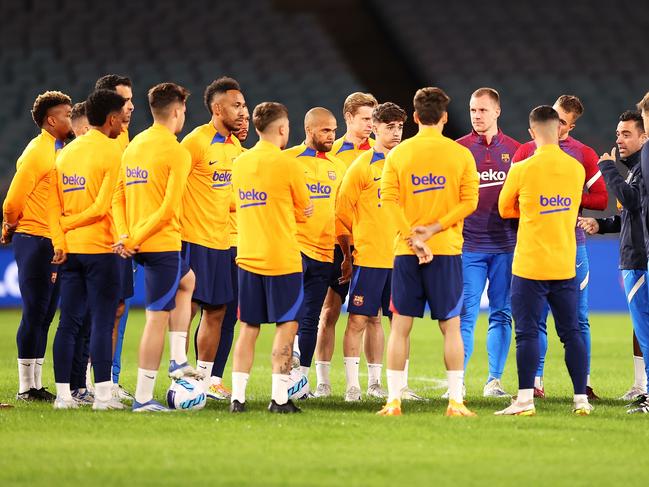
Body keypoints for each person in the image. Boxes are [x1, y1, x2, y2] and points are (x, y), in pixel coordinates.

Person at [377, 87, 479, 417]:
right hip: (446, 251)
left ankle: (393, 401)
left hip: (406, 252)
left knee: (400, 327)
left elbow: (388, 201)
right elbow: (469, 202)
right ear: (445, 118)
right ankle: (455, 402)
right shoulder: (460, 154)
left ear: (417, 117)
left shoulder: (398, 155)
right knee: (450, 326)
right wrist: (434, 230)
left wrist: (412, 236)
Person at [496, 105, 590, 416]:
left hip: (530, 265)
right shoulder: (576, 169)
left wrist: (529, 211)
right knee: (572, 332)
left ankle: (524, 401)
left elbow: (503, 208)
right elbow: (573, 206)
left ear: (532, 132)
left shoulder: (522, 168)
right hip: (565, 263)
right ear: (558, 129)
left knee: (527, 332)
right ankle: (581, 400)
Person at [512, 95, 607, 400]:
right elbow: (511, 198)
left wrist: (567, 203)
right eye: (553, 116)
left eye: (562, 121)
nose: (555, 124)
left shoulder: (583, 154)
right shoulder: (525, 152)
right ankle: (536, 382)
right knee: (534, 320)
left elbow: (602, 198)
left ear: (571, 125)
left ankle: (584, 385)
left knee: (577, 319)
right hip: (535, 245)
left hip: (572, 245)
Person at [112, 82, 196, 412]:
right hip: (160, 243)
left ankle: (177, 360)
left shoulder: (134, 146)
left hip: (135, 239)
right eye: (184, 111)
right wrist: (135, 238)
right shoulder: (177, 151)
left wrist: (126, 234)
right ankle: (144, 397)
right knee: (156, 317)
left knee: (188, 282)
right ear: (176, 111)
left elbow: (117, 196)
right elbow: (168, 209)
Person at [230, 102, 312, 413]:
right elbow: (304, 210)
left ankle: (237, 398)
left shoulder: (240, 162)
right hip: (282, 259)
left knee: (248, 328)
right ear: (281, 129)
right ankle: (279, 399)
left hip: (248, 257)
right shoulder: (288, 164)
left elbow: (235, 203)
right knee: (286, 326)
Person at [49, 89, 126, 410]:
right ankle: (103, 397)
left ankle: (64, 396)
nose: (124, 122)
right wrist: (70, 227)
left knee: (68, 322)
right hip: (100, 247)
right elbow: (101, 207)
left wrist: (60, 238)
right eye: (122, 116)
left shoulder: (65, 153)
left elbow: (54, 206)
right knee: (102, 321)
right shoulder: (112, 152)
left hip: (70, 251)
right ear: (110, 119)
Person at [2, 90, 73, 402]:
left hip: (50, 239)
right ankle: (25, 387)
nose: (71, 119)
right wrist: (10, 224)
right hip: (34, 238)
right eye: (68, 115)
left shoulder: (56, 150)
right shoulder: (37, 151)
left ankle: (34, 385)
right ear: (51, 120)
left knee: (45, 314)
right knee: (35, 311)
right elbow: (13, 200)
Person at [335, 102, 406, 401]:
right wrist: (348, 255)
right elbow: (341, 213)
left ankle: (384, 384)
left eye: (400, 126)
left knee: (395, 322)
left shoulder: (406, 163)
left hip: (401, 257)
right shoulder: (362, 166)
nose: (396, 132)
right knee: (359, 320)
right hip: (370, 258)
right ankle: (353, 386)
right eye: (390, 126)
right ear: (374, 128)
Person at [181, 77, 246, 390]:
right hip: (194, 239)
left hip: (224, 242)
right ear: (218, 108)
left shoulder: (237, 149)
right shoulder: (195, 142)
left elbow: (234, 197)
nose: (242, 111)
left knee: (219, 311)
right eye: (237, 106)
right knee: (190, 306)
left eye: (244, 105)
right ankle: (179, 370)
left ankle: (206, 379)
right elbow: (173, 187)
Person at [579, 111, 648, 404]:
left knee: (645, 332)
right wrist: (603, 224)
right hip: (636, 257)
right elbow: (632, 214)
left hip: (639, 260)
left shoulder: (640, 170)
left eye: (627, 134)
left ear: (644, 137)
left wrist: (607, 168)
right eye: (618, 133)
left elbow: (631, 201)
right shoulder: (635, 170)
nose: (619, 139)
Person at [314, 93, 381, 397]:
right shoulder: (332, 152)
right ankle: (324, 381)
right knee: (329, 312)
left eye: (373, 119)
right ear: (349, 118)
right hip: (334, 244)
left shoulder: (381, 154)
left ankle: (373, 383)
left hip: (369, 246)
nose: (370, 124)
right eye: (366, 118)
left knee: (371, 316)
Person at [456, 88, 520, 397]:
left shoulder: (518, 152)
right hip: (469, 246)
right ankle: (458, 381)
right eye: (472, 110)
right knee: (465, 313)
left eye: (482, 110)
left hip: (507, 246)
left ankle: (494, 381)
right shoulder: (459, 150)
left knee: (501, 312)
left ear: (497, 112)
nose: (477, 116)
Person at [284, 108, 346, 385]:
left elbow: (341, 213)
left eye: (334, 130)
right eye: (325, 130)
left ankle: (302, 381)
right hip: (293, 249)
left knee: (310, 319)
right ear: (309, 130)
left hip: (324, 252)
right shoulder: (288, 160)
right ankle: (282, 377)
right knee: (290, 318)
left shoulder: (338, 167)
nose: (332, 135)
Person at [202, 112, 250, 400]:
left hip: (238, 244)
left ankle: (214, 378)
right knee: (208, 310)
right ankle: (196, 374)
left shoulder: (243, 157)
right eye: (239, 121)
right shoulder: (204, 146)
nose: (243, 126)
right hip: (212, 240)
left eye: (247, 122)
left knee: (229, 314)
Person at [94, 74, 136, 401]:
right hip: (102, 240)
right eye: (124, 101)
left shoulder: (123, 138)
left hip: (120, 237)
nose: (131, 106)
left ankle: (110, 380)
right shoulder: (97, 142)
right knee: (98, 311)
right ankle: (92, 381)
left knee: (118, 309)